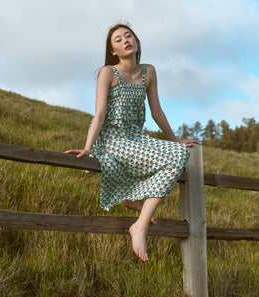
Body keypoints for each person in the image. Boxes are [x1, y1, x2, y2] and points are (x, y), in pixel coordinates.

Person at [64, 23, 199, 262]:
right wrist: (88, 147)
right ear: (113, 50)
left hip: (137, 138)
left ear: (136, 41)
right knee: (175, 157)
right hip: (113, 139)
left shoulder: (149, 71)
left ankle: (138, 216)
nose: (125, 40)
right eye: (117, 39)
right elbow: (100, 114)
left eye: (128, 36)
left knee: (179, 154)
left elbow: (157, 112)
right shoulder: (108, 72)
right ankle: (140, 225)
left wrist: (176, 141)